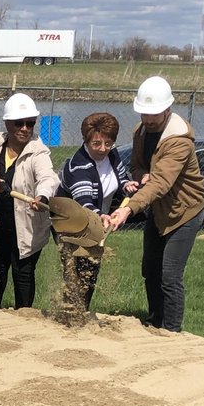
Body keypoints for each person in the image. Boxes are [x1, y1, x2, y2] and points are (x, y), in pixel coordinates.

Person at [107, 76, 204, 333]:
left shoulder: (179, 140)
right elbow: (137, 166)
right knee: (150, 270)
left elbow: (161, 182)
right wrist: (141, 176)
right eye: (144, 113)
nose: (148, 119)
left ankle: (171, 331)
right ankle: (154, 323)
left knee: (169, 275)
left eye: (154, 114)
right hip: (158, 209)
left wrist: (128, 208)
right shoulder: (140, 132)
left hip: (183, 213)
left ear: (167, 109)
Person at [0, 93, 59, 310]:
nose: (25, 128)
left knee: (23, 274)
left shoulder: (38, 151)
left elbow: (48, 178)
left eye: (30, 123)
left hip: (28, 226)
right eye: (19, 123)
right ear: (7, 123)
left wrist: (42, 196)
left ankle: (25, 316)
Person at [55, 112, 135, 310]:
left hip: (97, 218)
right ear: (86, 140)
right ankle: (69, 314)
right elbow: (84, 201)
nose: (103, 149)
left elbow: (120, 177)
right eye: (97, 143)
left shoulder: (112, 154)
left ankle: (82, 312)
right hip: (70, 220)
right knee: (75, 271)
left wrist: (127, 185)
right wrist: (101, 215)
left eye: (108, 143)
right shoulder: (78, 166)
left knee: (91, 269)